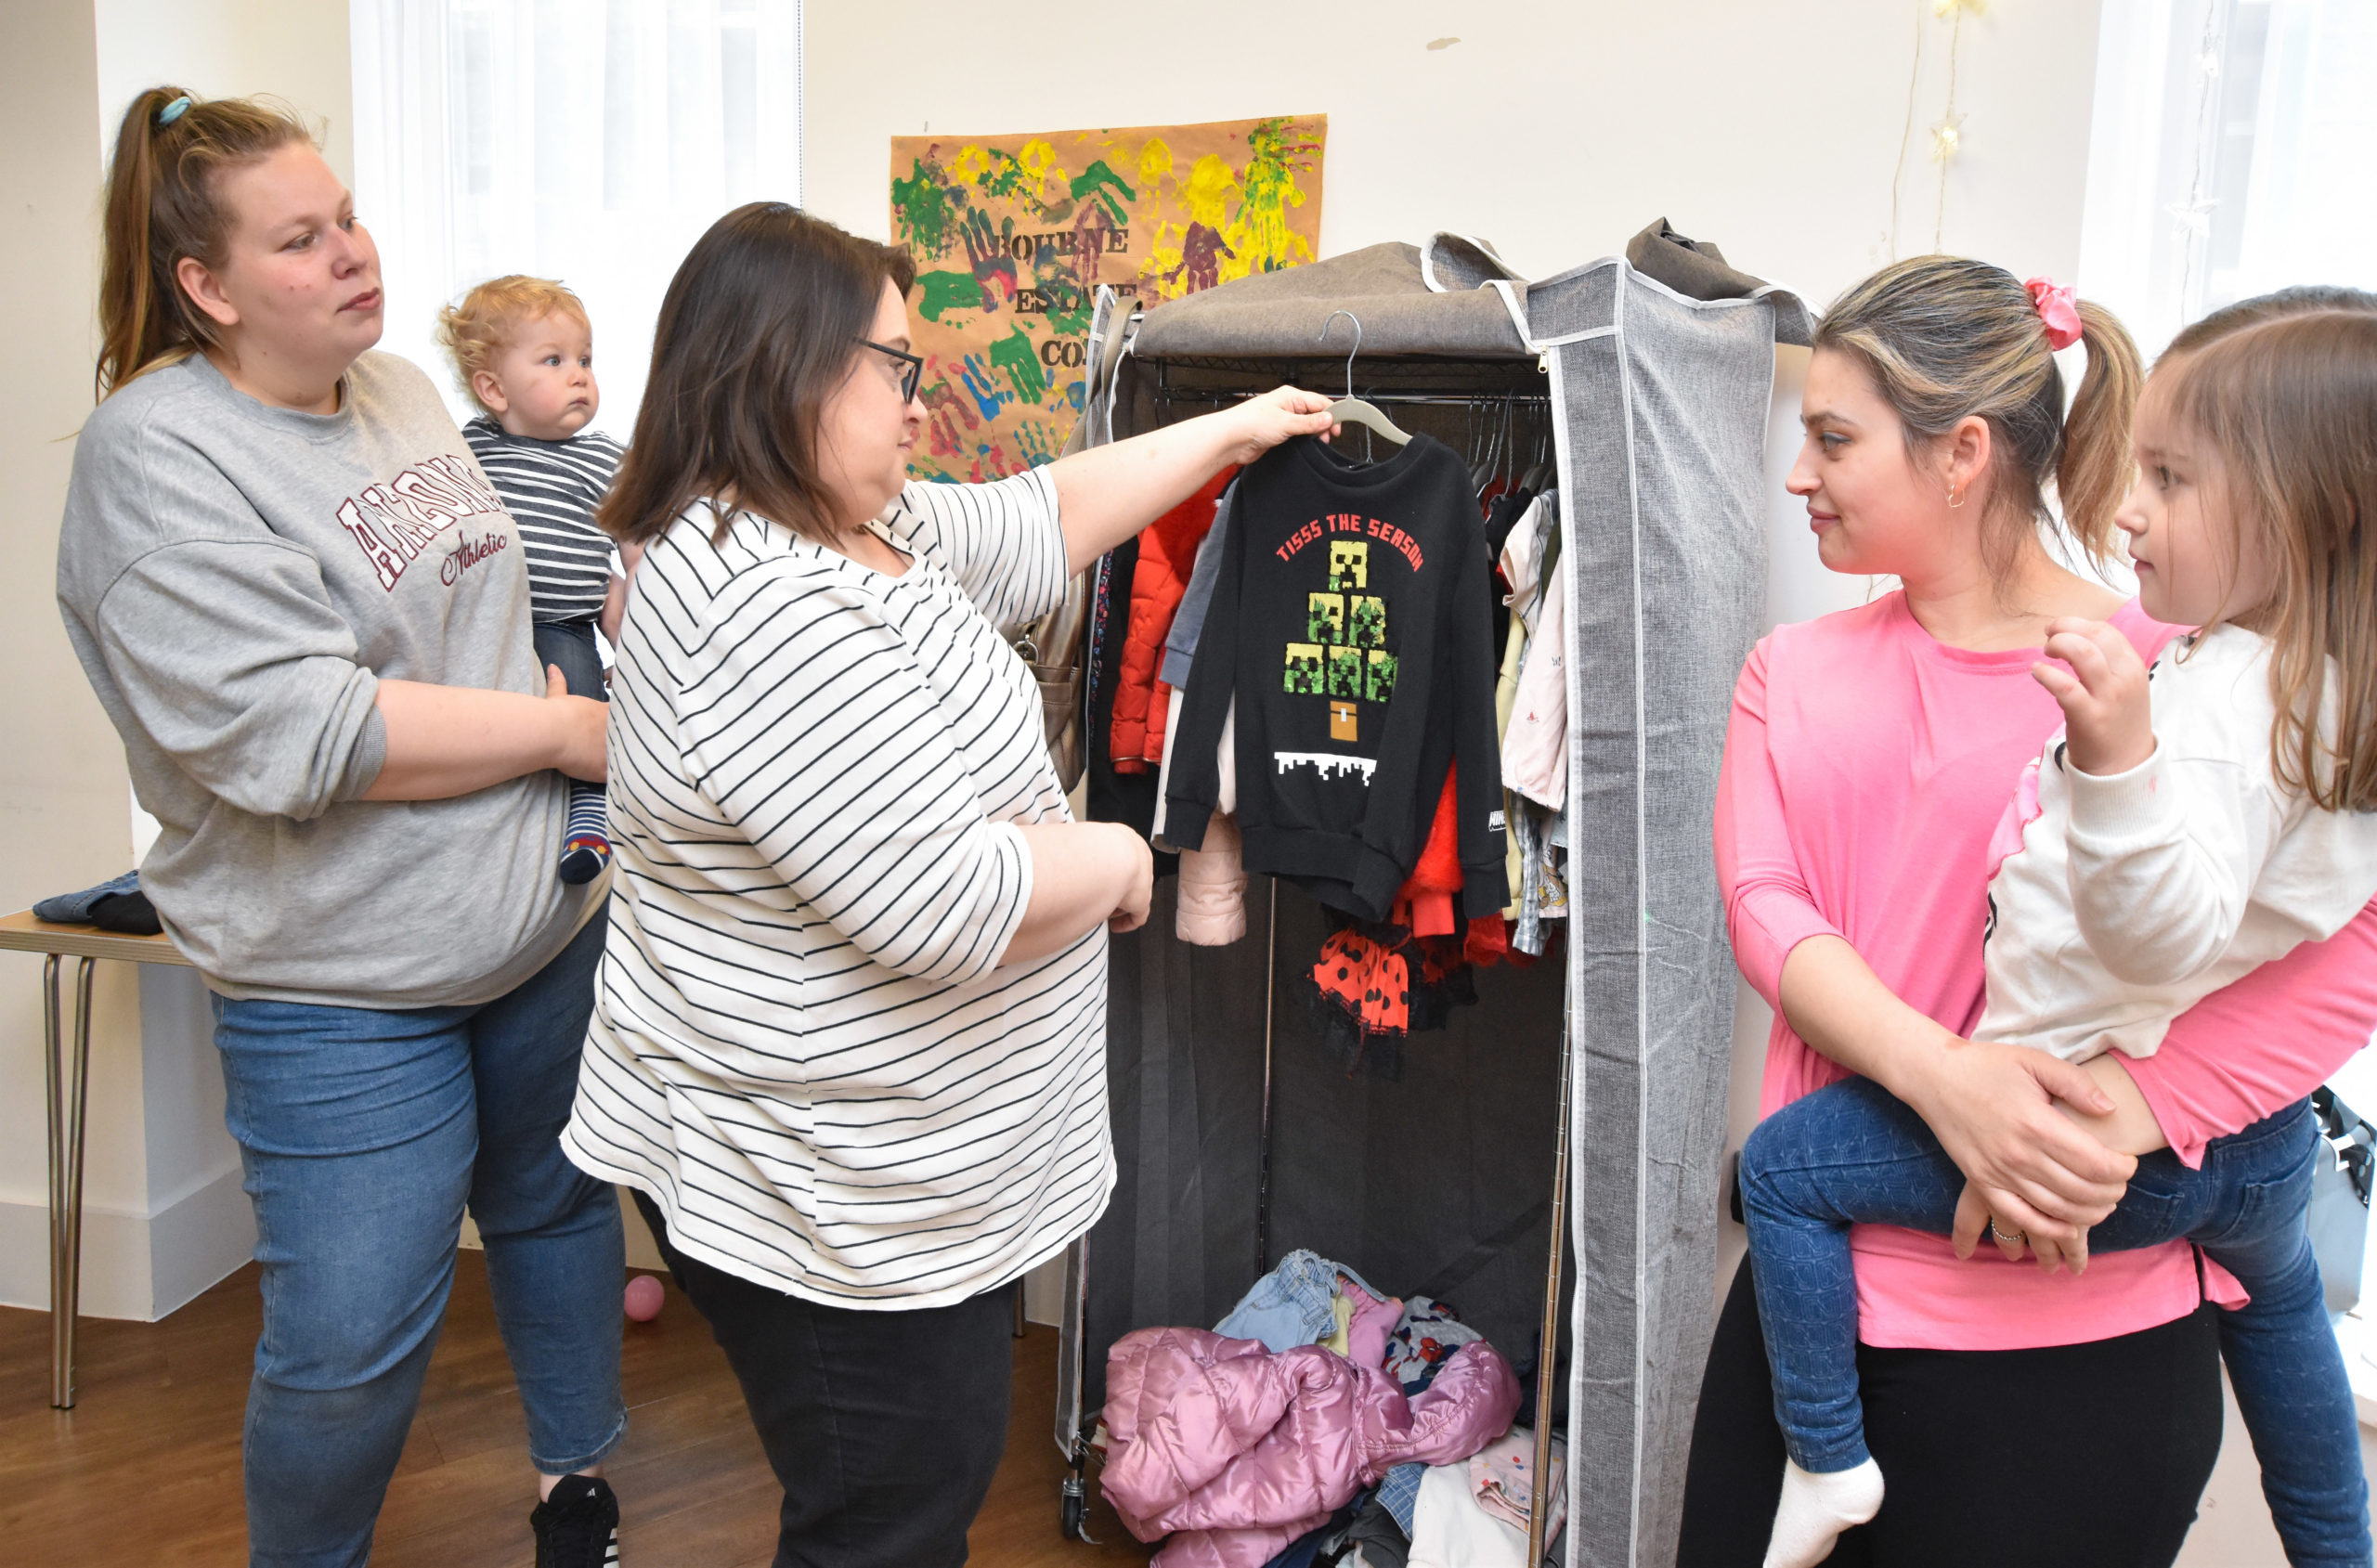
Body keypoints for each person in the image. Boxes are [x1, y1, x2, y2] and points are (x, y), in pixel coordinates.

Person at [557, 201, 1338, 1567]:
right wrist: (1115, 859)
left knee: (917, 1487)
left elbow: (1037, 518)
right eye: (897, 368)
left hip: (901, 1169)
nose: (920, 402)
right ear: (789, 365)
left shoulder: (854, 528)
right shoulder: (760, 601)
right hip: (825, 1193)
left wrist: (1229, 431)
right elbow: (944, 900)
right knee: (888, 1518)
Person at [1680, 260, 2377, 1568]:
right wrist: (1950, 1084)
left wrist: (2132, 1113)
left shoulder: (2185, 659)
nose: (1799, 472)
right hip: (1818, 1309)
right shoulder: (1793, 669)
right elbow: (1768, 909)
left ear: (1963, 453)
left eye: (1832, 438)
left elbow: (2350, 944)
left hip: (2084, 1334)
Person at [55, 88, 628, 1567]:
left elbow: (476, 624)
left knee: (559, 1215)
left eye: (351, 218)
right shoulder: (155, 459)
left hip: (539, 925)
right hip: (340, 984)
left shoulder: (397, 396)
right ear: (208, 285)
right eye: (301, 241)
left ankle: (581, 1483)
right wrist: (573, 732)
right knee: (352, 1331)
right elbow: (314, 734)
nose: (356, 257)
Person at [436, 274, 631, 884]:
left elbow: (641, 549)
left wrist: (638, 638)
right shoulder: (468, 447)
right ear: (493, 388)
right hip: (484, 624)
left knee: (574, 696)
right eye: (554, 360)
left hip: (562, 623)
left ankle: (591, 816)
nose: (579, 374)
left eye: (585, 359)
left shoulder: (603, 458)